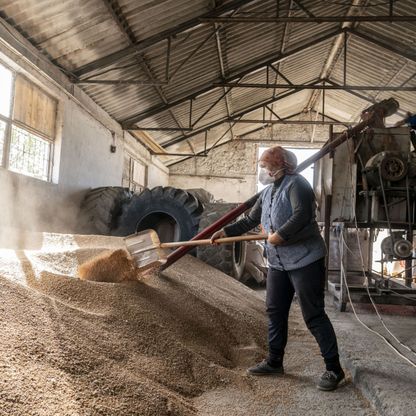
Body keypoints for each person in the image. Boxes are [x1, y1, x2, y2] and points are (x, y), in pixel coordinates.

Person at [211, 146, 344, 391]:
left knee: (313, 315)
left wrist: (280, 234)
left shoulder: (298, 185)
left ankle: (334, 369)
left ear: (279, 165)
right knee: (275, 311)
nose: (262, 170)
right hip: (278, 262)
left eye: (264, 166)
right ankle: (274, 362)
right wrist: (226, 231)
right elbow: (251, 219)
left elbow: (303, 214)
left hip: (305, 259)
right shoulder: (268, 191)